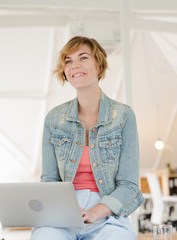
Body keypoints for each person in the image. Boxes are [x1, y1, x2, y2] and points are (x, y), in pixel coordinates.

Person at [31, 36, 144, 240]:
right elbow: (49, 179)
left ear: (99, 66)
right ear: (65, 73)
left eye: (83, 58)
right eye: (68, 61)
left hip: (107, 216)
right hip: (62, 216)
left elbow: (129, 185)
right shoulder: (54, 119)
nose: (75, 65)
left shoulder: (124, 116)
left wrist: (94, 212)